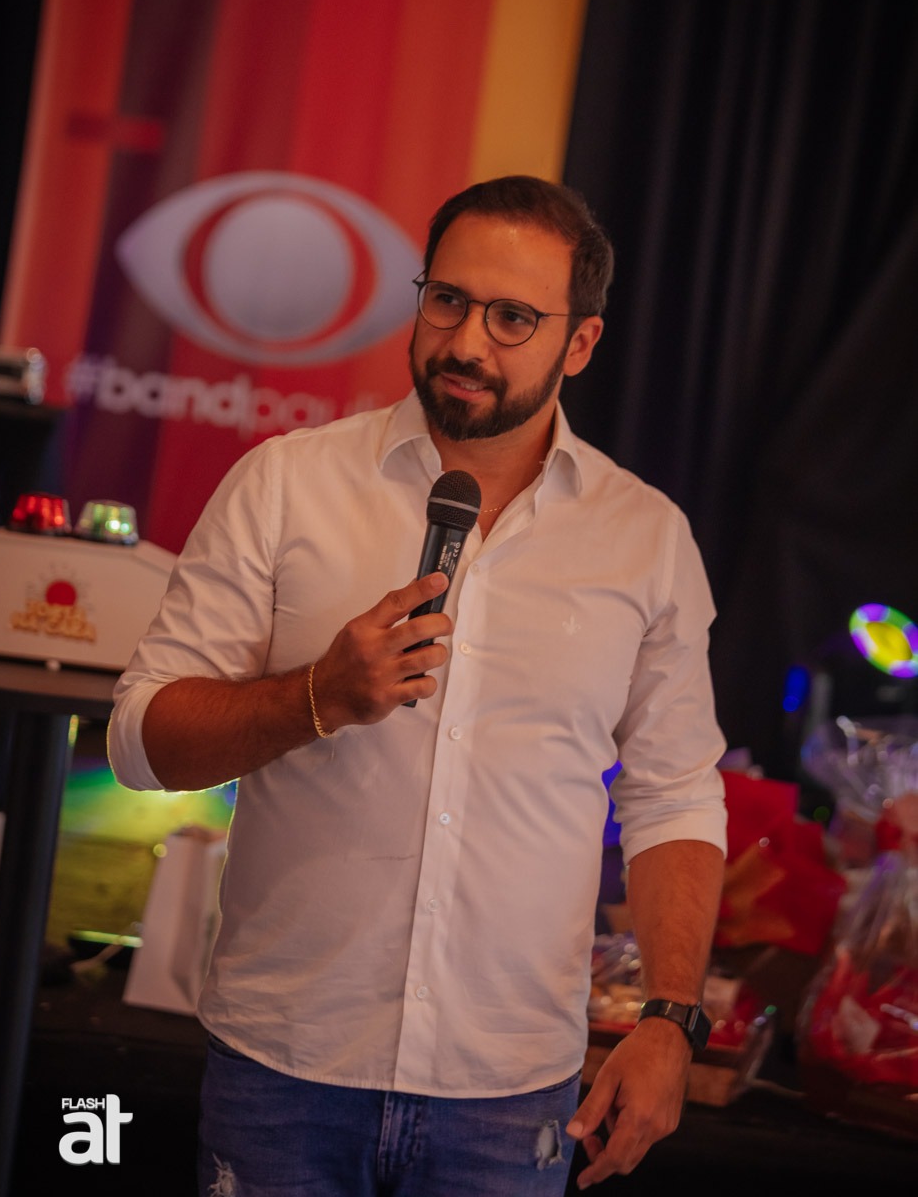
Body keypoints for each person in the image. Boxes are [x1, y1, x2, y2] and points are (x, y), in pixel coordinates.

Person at [108, 174, 727, 1196]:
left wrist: (669, 1016)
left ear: (579, 343)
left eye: (513, 317)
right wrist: (316, 697)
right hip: (286, 1066)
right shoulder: (287, 483)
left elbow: (675, 797)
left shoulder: (646, 538)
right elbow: (138, 739)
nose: (467, 342)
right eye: (447, 300)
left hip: (510, 1088)